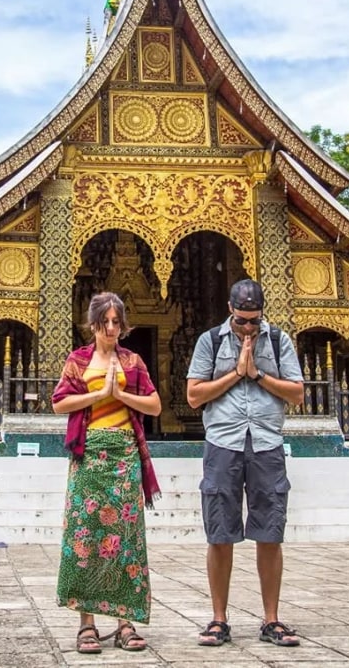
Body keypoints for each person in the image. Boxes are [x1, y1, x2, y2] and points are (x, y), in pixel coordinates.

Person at [186, 278, 304, 648]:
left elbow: (297, 394)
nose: (249, 328)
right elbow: (193, 395)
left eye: (255, 321)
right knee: (220, 532)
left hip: (266, 443)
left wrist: (258, 374)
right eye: (242, 321)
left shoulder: (280, 340)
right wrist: (236, 372)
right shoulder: (211, 341)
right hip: (223, 442)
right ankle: (219, 619)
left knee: (270, 532)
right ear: (230, 311)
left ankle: (271, 619)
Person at [52, 291, 162, 655]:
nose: (111, 329)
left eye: (117, 322)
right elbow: (59, 403)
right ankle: (87, 624)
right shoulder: (78, 361)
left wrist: (121, 393)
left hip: (123, 456)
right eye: (105, 322)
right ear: (94, 324)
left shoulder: (132, 362)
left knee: (125, 541)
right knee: (87, 538)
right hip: (89, 457)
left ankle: (125, 622)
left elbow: (155, 404)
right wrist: (99, 395)